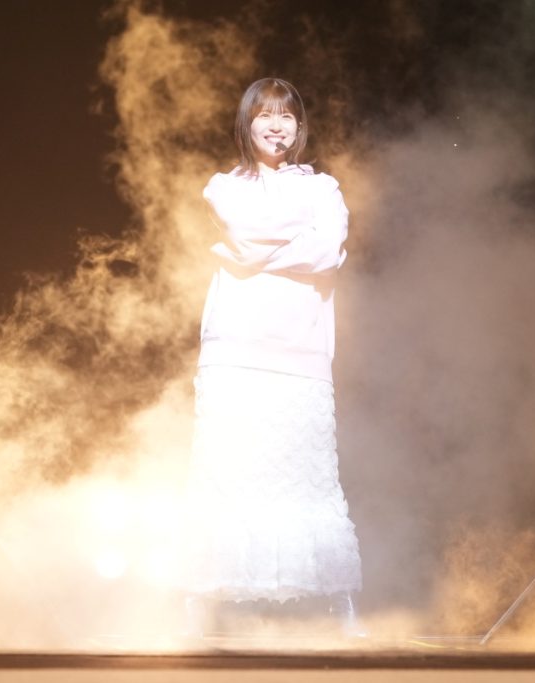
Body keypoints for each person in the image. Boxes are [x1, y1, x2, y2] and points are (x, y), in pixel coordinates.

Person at [183, 77, 362, 637]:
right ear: (247, 123)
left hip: (300, 350)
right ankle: (200, 603)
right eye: (265, 115)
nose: (276, 126)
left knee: (309, 480)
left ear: (299, 127)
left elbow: (326, 249)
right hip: (234, 349)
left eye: (286, 116)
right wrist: (287, 243)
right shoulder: (223, 187)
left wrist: (256, 254)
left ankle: (339, 604)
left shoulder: (323, 188)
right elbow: (242, 231)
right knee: (225, 474)